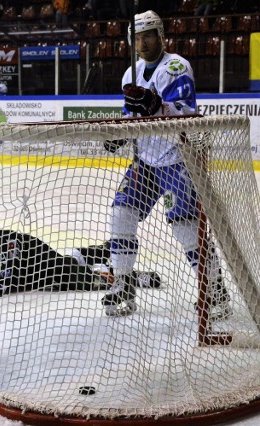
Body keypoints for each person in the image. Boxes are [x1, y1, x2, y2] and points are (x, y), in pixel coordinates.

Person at [100, 10, 230, 318]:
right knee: (121, 214)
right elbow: (133, 114)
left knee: (186, 227)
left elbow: (185, 113)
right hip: (145, 160)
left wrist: (157, 105)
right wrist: (119, 134)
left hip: (177, 160)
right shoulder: (130, 74)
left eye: (148, 36)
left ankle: (214, 288)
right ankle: (124, 283)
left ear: (161, 36)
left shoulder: (175, 66)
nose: (142, 44)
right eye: (137, 37)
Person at [0, 203, 160, 298]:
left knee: (72, 277)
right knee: (65, 263)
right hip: (17, 270)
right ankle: (103, 251)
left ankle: (127, 276)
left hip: (28, 256)